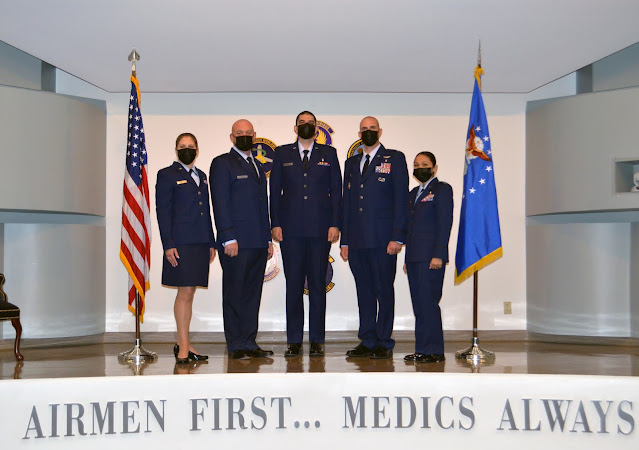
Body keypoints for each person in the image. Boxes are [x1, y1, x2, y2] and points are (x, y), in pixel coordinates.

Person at [269, 111, 342, 357]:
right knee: (294, 286)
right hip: (290, 232)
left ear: (316, 127)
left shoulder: (329, 154)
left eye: (311, 123)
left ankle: (317, 340)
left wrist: (335, 223)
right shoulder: (281, 153)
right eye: (302, 123)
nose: (306, 126)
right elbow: (275, 191)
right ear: (295, 128)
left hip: (321, 231)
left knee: (318, 287)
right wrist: (275, 223)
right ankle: (294, 340)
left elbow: (336, 191)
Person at [340, 116, 408, 359]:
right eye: (364, 129)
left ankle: (384, 340)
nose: (368, 132)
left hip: (383, 240)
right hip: (357, 241)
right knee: (364, 292)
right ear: (359, 133)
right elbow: (347, 203)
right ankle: (367, 339)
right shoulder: (351, 163)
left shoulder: (394, 158)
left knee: (383, 290)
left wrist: (398, 237)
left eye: (372, 129)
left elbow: (401, 200)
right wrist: (345, 240)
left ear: (380, 132)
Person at [210, 119, 274, 360]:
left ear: (255, 135)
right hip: (235, 242)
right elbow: (220, 202)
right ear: (231, 137)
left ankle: (249, 341)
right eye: (240, 133)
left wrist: (267, 239)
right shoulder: (222, 163)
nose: (244, 136)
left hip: (257, 242)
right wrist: (227, 237)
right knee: (235, 293)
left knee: (252, 294)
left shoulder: (258, 165)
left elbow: (262, 205)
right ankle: (235, 343)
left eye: (248, 133)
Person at [156, 132, 216, 364]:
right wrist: (168, 245)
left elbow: (206, 210)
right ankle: (182, 347)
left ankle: (186, 343)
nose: (187, 149)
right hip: (180, 243)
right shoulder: (167, 174)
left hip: (200, 241)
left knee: (190, 292)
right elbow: (163, 212)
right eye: (182, 146)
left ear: (197, 150)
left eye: (191, 146)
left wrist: (211, 241)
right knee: (184, 292)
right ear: (176, 149)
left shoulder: (201, 176)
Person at [403, 151, 453, 363]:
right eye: (416, 164)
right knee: (419, 305)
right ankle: (422, 348)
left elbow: (444, 224)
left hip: (431, 257)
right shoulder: (414, 192)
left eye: (424, 164)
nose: (420, 167)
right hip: (414, 258)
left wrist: (439, 254)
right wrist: (407, 258)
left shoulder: (442, 189)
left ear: (434, 168)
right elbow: (410, 228)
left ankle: (435, 350)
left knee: (429, 303)